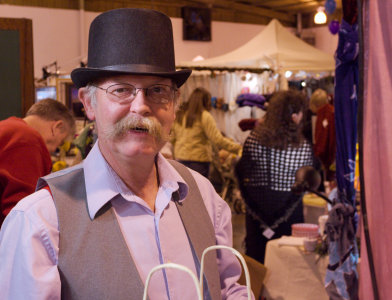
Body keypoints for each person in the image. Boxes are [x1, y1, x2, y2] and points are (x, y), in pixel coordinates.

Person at [0, 8, 253, 300]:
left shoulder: (204, 196)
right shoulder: (39, 221)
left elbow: (230, 288)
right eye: (121, 90)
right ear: (89, 104)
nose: (141, 106)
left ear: (175, 104)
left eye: (157, 90)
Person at [235, 90, 314, 263]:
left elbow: (243, 176)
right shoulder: (302, 146)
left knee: (257, 264)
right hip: (289, 213)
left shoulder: (254, 139)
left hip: (257, 211)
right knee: (287, 264)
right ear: (294, 115)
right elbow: (303, 184)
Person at [0, 98, 75, 226]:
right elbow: (20, 212)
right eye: (60, 143)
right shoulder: (27, 139)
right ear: (57, 127)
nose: (53, 150)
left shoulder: (8, 127)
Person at [171, 87, 242, 178]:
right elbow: (218, 140)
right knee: (199, 191)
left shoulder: (180, 115)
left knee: (184, 191)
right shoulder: (204, 116)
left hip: (180, 159)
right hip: (199, 161)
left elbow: (172, 138)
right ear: (205, 101)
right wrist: (237, 148)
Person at [309, 88, 336, 182]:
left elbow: (322, 139)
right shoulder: (332, 111)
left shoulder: (323, 114)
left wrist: (318, 155)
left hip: (328, 158)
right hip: (334, 156)